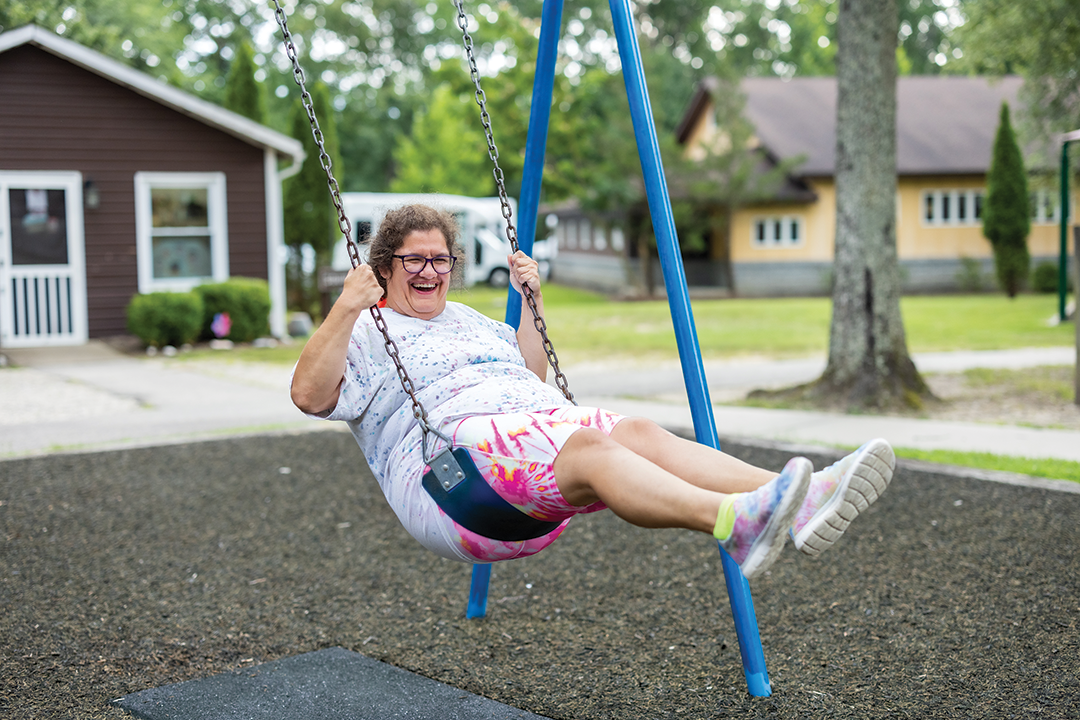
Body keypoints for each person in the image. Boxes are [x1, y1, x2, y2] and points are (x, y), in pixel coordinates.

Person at [291, 204, 895, 578]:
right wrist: (345, 308)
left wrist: (533, 306)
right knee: (592, 449)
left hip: (527, 453)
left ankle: (807, 499)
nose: (430, 271)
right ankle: (734, 522)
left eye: (441, 258)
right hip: (459, 488)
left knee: (636, 432)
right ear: (385, 265)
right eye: (412, 259)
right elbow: (310, 396)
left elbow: (531, 380)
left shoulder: (472, 320)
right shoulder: (367, 328)